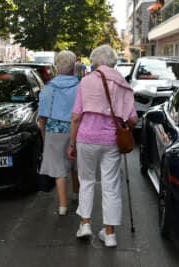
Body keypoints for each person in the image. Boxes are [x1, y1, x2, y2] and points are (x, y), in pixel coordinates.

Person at [68, 45, 137, 247]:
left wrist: (72, 144)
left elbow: (75, 117)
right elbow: (133, 119)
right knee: (111, 186)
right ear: (113, 62)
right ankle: (110, 234)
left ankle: (85, 224)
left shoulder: (86, 82)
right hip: (111, 141)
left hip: (86, 139)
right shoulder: (122, 83)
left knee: (86, 180)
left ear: (95, 62)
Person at [38, 50, 80, 216]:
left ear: (56, 67)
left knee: (58, 169)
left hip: (54, 131)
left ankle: (63, 206)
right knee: (76, 165)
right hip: (76, 130)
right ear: (73, 68)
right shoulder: (80, 87)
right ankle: (76, 194)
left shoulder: (48, 89)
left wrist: (44, 137)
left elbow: (42, 118)